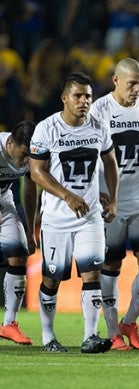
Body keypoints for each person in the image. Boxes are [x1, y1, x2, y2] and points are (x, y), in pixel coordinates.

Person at [29, 72, 120, 353]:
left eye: (88, 97)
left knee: (92, 273)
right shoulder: (46, 129)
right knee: (51, 277)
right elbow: (36, 172)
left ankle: (89, 337)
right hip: (57, 218)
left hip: (89, 217)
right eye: (78, 96)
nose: (84, 101)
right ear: (64, 98)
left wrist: (113, 199)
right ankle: (48, 336)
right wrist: (67, 196)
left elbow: (110, 163)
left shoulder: (98, 127)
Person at [89, 58, 139, 351]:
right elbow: (90, 151)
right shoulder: (99, 110)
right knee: (111, 264)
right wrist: (94, 191)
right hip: (111, 200)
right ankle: (111, 331)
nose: (137, 88)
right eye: (132, 82)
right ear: (115, 80)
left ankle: (129, 321)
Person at [0, 121, 37, 345]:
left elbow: (30, 191)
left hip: (4, 201)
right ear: (10, 143)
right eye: (23, 155)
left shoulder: (32, 155)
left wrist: (31, 230)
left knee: (19, 253)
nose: (25, 161)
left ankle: (9, 324)